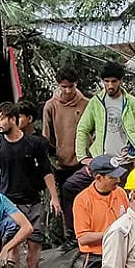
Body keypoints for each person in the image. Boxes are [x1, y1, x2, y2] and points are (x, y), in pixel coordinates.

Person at [0, 101, 60, 268]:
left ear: (13, 119)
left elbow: (46, 171)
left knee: (35, 242)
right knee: (12, 239)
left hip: (34, 199)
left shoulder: (34, 143)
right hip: (8, 200)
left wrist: (54, 198)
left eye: (1, 119)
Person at [76, 61, 135, 166]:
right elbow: (82, 129)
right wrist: (82, 157)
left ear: (120, 81)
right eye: (107, 81)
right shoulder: (95, 102)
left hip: (125, 162)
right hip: (102, 162)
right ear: (102, 81)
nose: (110, 85)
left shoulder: (131, 102)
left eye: (114, 81)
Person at [43, 69, 91, 240]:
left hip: (84, 160)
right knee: (66, 199)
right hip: (62, 162)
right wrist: (51, 157)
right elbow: (46, 135)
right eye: (64, 87)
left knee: (86, 197)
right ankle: (71, 234)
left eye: (71, 86)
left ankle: (87, 231)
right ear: (59, 86)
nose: (68, 90)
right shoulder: (51, 106)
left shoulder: (86, 104)